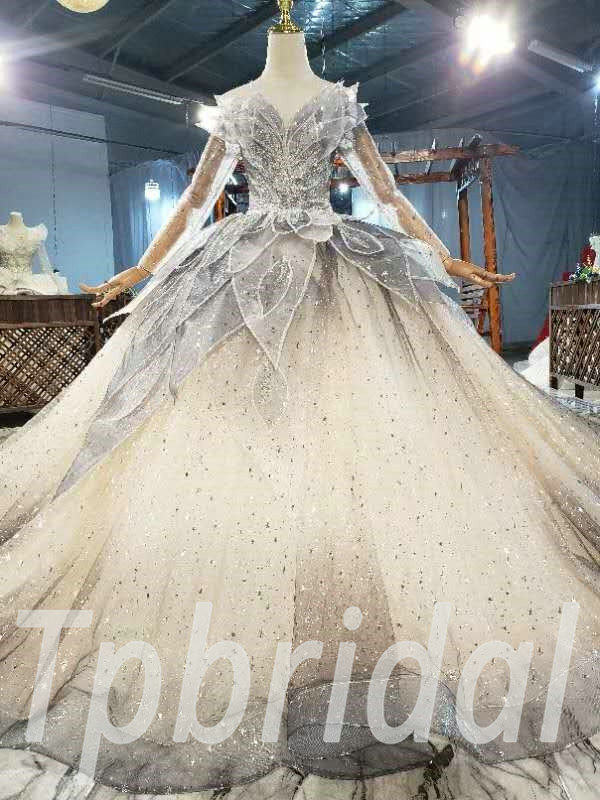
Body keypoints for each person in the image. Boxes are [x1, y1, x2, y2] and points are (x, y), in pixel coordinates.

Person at [1, 5, 599, 798]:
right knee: (238, 424)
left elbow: (381, 196)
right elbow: (202, 203)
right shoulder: (248, 106)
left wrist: (447, 259)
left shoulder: (321, 104)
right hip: (256, 269)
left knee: (348, 421)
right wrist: (138, 274)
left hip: (326, 264)